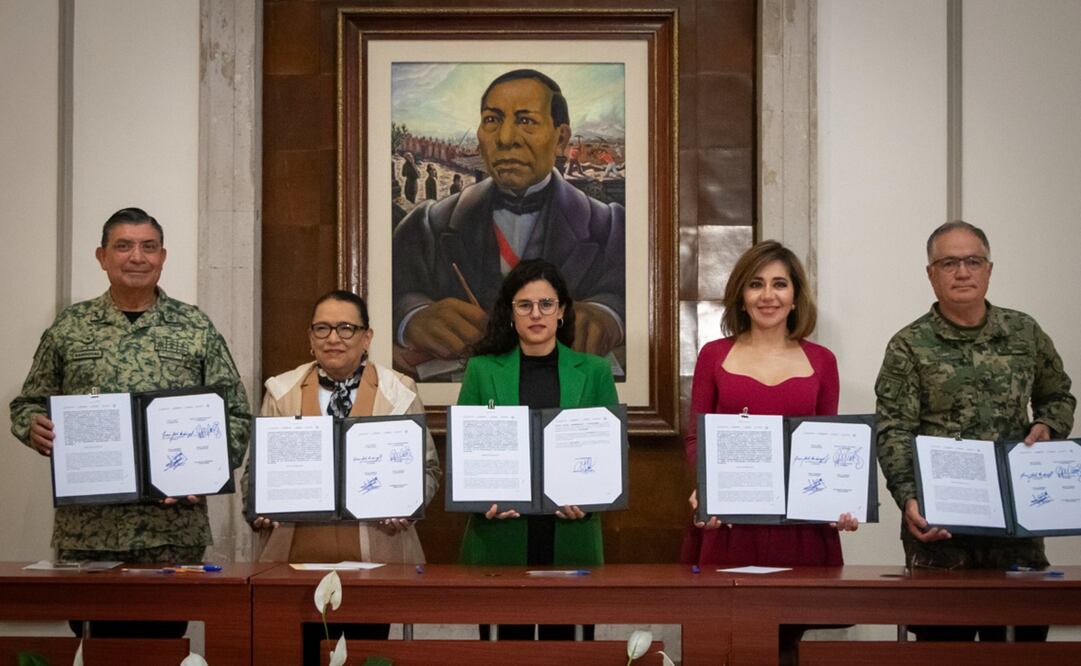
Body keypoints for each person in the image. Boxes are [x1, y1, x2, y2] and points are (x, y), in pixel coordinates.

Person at [9, 207, 251, 638]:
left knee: (161, 645)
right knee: (93, 647)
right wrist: (33, 426)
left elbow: (234, 413)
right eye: (123, 246)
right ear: (102, 256)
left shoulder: (195, 326)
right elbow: (27, 404)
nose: (137, 256)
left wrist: (206, 471)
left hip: (172, 532)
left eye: (148, 246)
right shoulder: (70, 327)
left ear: (163, 256)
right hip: (90, 532)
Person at [875, 220, 1075, 642]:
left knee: (1023, 650)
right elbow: (894, 430)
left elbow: (1059, 396)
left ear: (988, 269)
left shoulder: (1025, 333)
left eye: (972, 261)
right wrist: (909, 498)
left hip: (1018, 528)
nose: (962, 272)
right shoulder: (909, 345)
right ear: (931, 274)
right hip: (941, 532)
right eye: (949, 263)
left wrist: (1047, 425)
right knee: (945, 650)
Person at [682, 241, 857, 659]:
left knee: (786, 644)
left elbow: (829, 445)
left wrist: (840, 501)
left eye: (780, 284)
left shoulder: (822, 360)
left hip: (799, 528)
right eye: (756, 284)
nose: (768, 295)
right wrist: (706, 486)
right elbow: (695, 438)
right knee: (729, 641)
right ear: (741, 295)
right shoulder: (713, 356)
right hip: (730, 524)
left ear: (796, 295)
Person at [247, 289, 441, 664]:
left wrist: (410, 504)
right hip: (295, 566)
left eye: (346, 328)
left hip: (377, 564)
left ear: (367, 337)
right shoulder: (281, 392)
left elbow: (427, 470)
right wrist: (258, 506)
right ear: (310, 337)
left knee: (369, 658)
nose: (333, 338)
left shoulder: (399, 392)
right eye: (322, 328)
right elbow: (255, 473)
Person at [393, 69, 625, 375]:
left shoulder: (610, 227)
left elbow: (632, 294)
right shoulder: (427, 224)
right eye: (492, 120)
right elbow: (390, 290)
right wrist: (414, 317)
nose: (504, 139)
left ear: (561, 138)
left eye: (526, 121)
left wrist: (607, 314)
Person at [457, 259, 618, 641]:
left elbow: (610, 450)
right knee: (507, 651)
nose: (536, 314)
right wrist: (481, 499)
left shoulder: (594, 371)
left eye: (546, 304)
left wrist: (590, 498)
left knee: (563, 649)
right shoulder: (482, 370)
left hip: (570, 528)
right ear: (510, 313)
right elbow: (467, 451)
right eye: (524, 305)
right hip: (502, 530)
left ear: (561, 311)